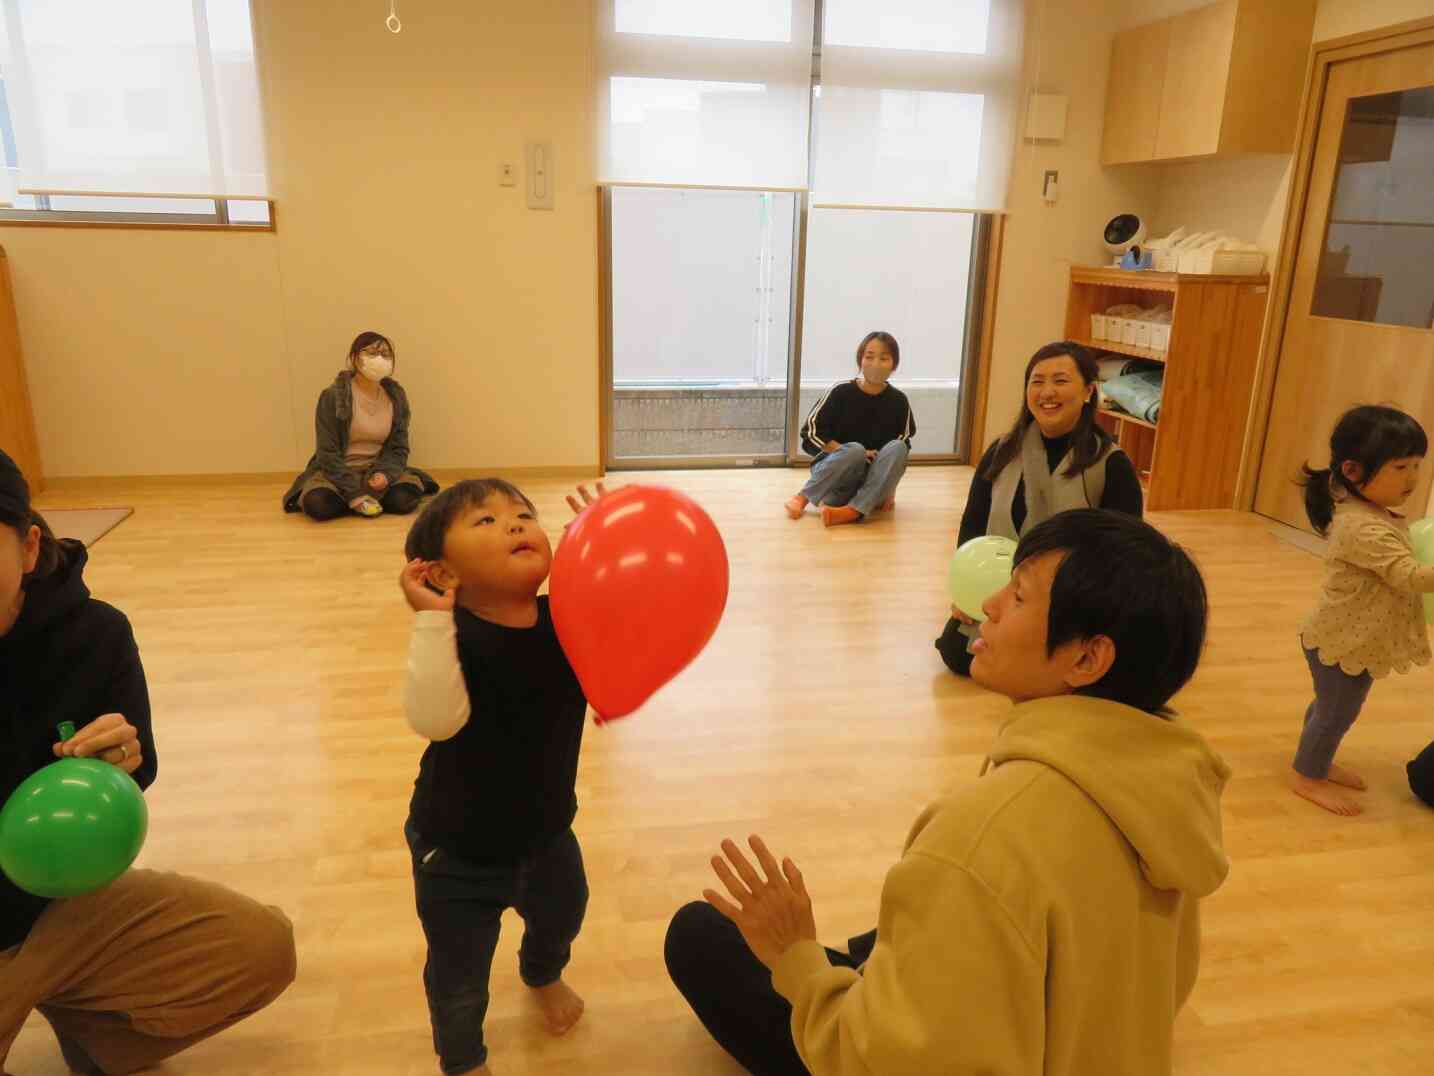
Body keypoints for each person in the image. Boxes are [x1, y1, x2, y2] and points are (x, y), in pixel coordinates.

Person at [665, 509, 1229, 1076]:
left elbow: (874, 1061)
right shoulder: (1167, 788)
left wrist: (797, 959)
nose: (990, 604)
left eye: (1019, 596)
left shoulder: (978, 842)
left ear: (1087, 658)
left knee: (698, 936)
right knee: (897, 932)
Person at [0, 449, 296, 1076]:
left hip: (61, 906)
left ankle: (91, 1026)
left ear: (27, 549)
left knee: (259, 948)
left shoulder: (95, 633)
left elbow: (138, 768)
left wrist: (122, 761)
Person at [398, 479, 606, 1076]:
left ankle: (541, 973)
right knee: (459, 973)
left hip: (548, 833)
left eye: (523, 514)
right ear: (443, 573)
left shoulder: (566, 616)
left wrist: (604, 544)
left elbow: (634, 611)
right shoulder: (451, 637)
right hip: (456, 852)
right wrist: (431, 621)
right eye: (485, 521)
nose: (515, 524)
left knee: (564, 915)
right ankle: (463, 1058)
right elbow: (434, 721)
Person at [936, 341, 1143, 677]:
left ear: (1089, 391)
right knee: (956, 654)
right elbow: (973, 526)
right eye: (1037, 381)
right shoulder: (1002, 451)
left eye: (1061, 381)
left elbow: (1126, 555)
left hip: (1070, 600)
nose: (1047, 392)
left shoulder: (1111, 463)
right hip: (1005, 593)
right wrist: (967, 593)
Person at [1294, 404, 1434, 816]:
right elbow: (1410, 576)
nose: (1412, 478)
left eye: (1417, 465)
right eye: (1400, 467)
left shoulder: (1373, 512)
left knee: (1329, 708)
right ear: (1353, 472)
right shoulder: (1362, 527)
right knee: (1336, 713)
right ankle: (1307, 776)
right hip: (1342, 642)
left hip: (1350, 637)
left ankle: (1315, 758)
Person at [283, 331, 439, 521]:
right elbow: (327, 453)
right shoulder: (333, 397)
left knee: (403, 500)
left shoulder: (396, 397)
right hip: (338, 473)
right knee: (318, 504)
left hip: (377, 469)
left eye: (385, 354)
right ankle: (355, 498)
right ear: (355, 358)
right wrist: (354, 492)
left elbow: (399, 447)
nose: (379, 358)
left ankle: (360, 500)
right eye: (372, 353)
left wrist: (385, 475)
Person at [785, 332, 915, 528]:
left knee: (898, 446)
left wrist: (890, 488)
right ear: (860, 360)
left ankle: (851, 512)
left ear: (894, 365)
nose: (876, 364)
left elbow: (901, 448)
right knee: (855, 449)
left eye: (884, 358)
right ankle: (802, 498)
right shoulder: (841, 391)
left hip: (872, 484)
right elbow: (810, 433)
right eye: (869, 357)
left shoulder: (899, 401)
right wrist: (853, 451)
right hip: (835, 480)